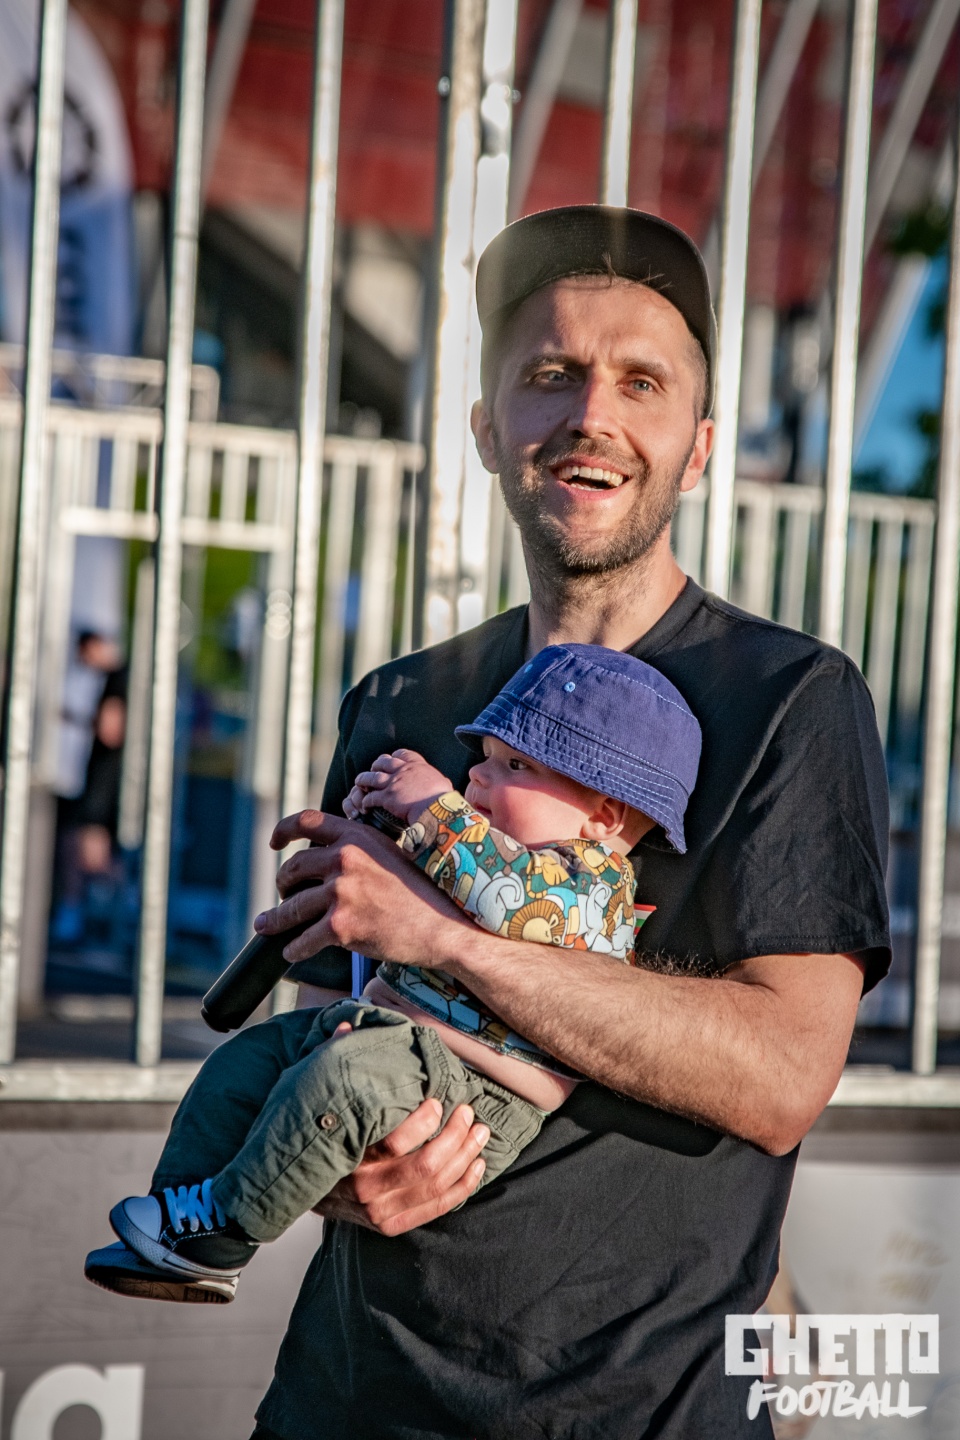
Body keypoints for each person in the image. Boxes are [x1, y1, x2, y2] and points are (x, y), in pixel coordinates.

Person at [249, 206, 889, 1439]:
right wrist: (337, 1173)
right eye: (551, 374)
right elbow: (322, 1028)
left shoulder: (791, 700)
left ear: (697, 449)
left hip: (640, 1414)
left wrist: (454, 939)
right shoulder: (401, 702)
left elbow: (779, 1077)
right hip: (350, 1400)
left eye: (641, 381)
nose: (593, 413)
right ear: (489, 428)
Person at [83, 644, 700, 1304]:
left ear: (603, 816)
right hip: (389, 1040)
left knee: (343, 1083)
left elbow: (509, 896)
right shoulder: (483, 851)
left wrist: (432, 806)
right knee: (245, 1063)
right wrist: (384, 821)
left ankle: (227, 1232)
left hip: (474, 1088)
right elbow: (448, 873)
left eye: (515, 766)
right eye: (485, 757)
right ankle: (179, 1216)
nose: (477, 777)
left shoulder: (592, 886)